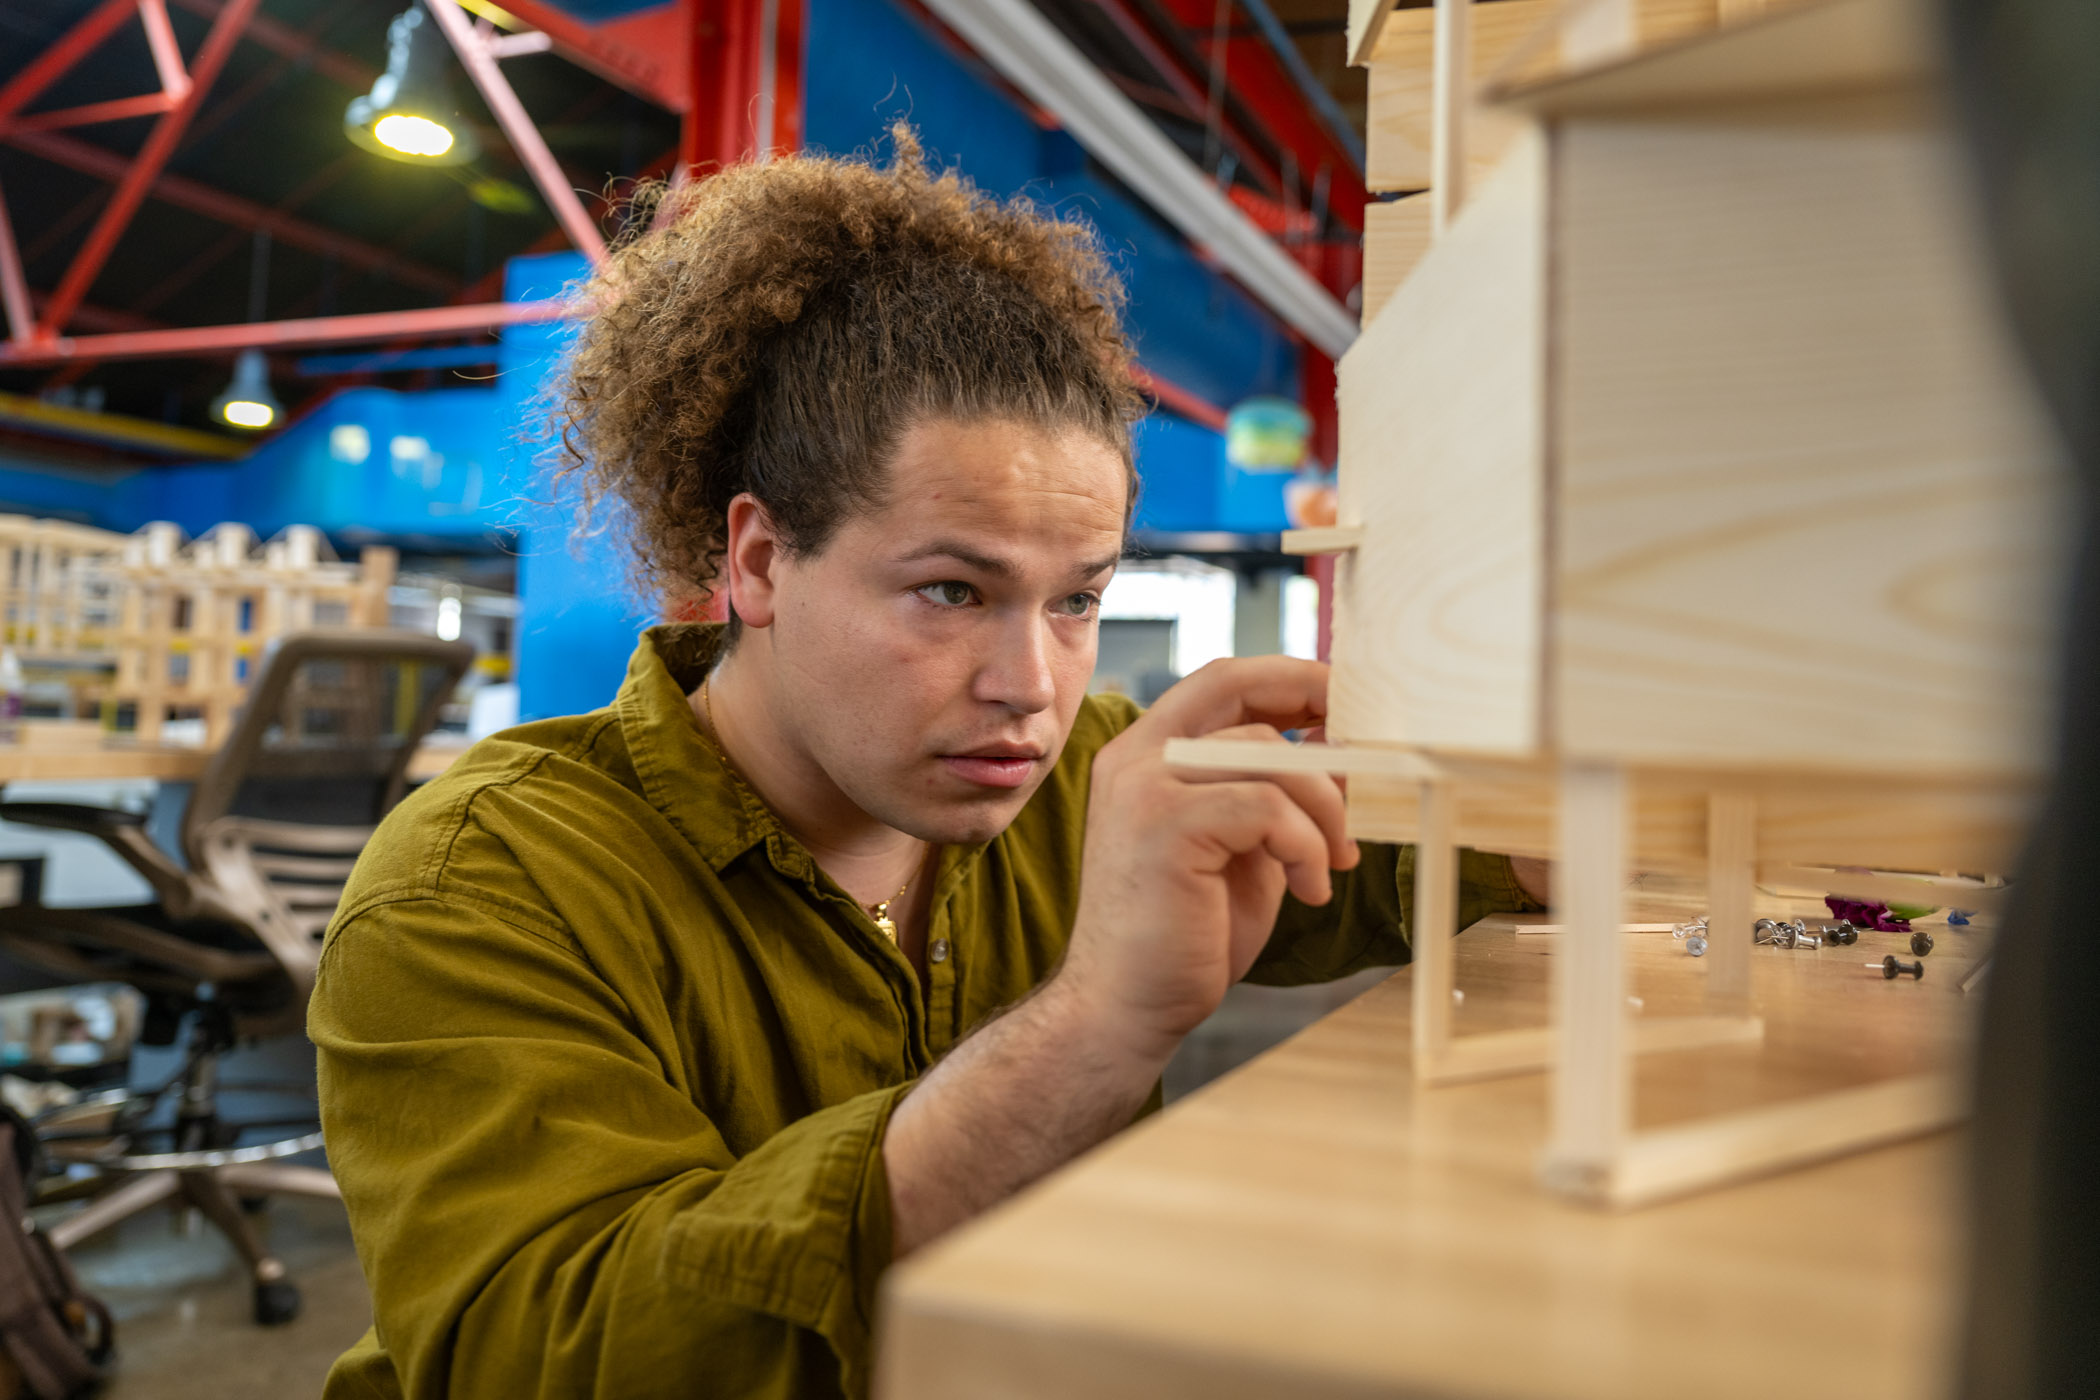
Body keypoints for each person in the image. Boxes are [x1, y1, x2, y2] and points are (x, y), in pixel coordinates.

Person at [311, 131, 1540, 1400]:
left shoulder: (1096, 778)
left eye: (1076, 601)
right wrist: (1092, 1030)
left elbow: (1406, 854)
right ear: (759, 562)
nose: (1033, 686)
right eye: (952, 590)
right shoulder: (478, 884)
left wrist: (1554, 813)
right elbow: (554, 1355)